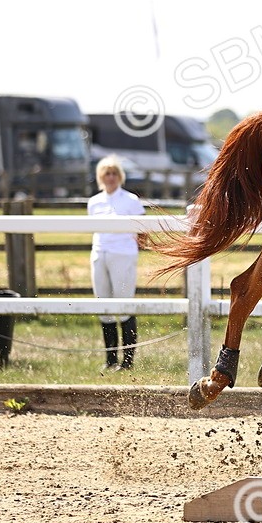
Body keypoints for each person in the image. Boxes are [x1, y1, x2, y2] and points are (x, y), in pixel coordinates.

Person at [87, 156, 146, 372]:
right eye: (106, 173)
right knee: (104, 305)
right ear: (100, 177)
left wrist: (134, 250)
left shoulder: (130, 200)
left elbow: (143, 229)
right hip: (100, 253)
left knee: (123, 304)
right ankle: (110, 359)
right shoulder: (94, 202)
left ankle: (127, 360)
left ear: (119, 176)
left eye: (113, 173)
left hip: (123, 254)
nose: (110, 177)